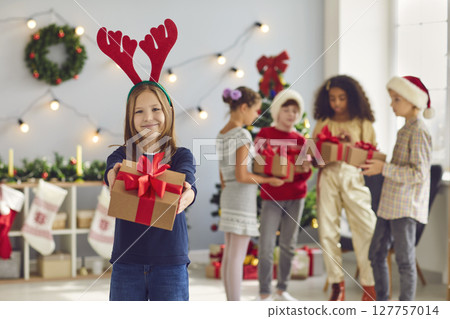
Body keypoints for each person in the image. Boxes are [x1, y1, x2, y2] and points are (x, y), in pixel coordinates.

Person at [99, 19, 197, 301]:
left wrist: (187, 194)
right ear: (130, 118)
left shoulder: (180, 155)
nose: (148, 117)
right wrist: (114, 176)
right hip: (127, 261)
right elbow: (110, 172)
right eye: (139, 111)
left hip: (170, 261)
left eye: (155, 109)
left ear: (167, 112)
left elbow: (188, 180)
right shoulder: (123, 155)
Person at [362, 76, 433, 301]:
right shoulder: (405, 130)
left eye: (396, 99)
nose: (391, 105)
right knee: (376, 254)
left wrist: (384, 168)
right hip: (389, 204)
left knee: (404, 261)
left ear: (413, 102)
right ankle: (383, 303)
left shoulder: (419, 131)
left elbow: (418, 173)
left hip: (405, 207)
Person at [312, 75, 377, 301]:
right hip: (328, 176)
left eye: (341, 98)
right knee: (328, 231)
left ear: (351, 97)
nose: (337, 103)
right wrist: (327, 153)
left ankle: (370, 286)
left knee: (366, 229)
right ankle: (336, 285)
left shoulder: (363, 124)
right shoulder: (323, 123)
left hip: (353, 177)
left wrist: (349, 146)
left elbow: (370, 158)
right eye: (332, 99)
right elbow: (313, 157)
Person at [217, 86, 284, 301]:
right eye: (256, 110)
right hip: (241, 198)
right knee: (237, 255)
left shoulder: (222, 133)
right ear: (244, 107)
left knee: (230, 254)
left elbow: (223, 173)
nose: (257, 116)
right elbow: (242, 175)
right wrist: (269, 180)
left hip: (228, 196)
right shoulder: (242, 134)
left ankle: (231, 302)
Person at [254, 89, 312, 301]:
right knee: (267, 244)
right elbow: (256, 164)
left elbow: (306, 173)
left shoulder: (301, 140)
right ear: (277, 111)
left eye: (295, 111)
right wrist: (273, 174)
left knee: (288, 244)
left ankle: (282, 289)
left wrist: (303, 170)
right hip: (271, 197)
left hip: (296, 198)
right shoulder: (265, 135)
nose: (291, 115)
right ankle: (264, 292)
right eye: (286, 110)